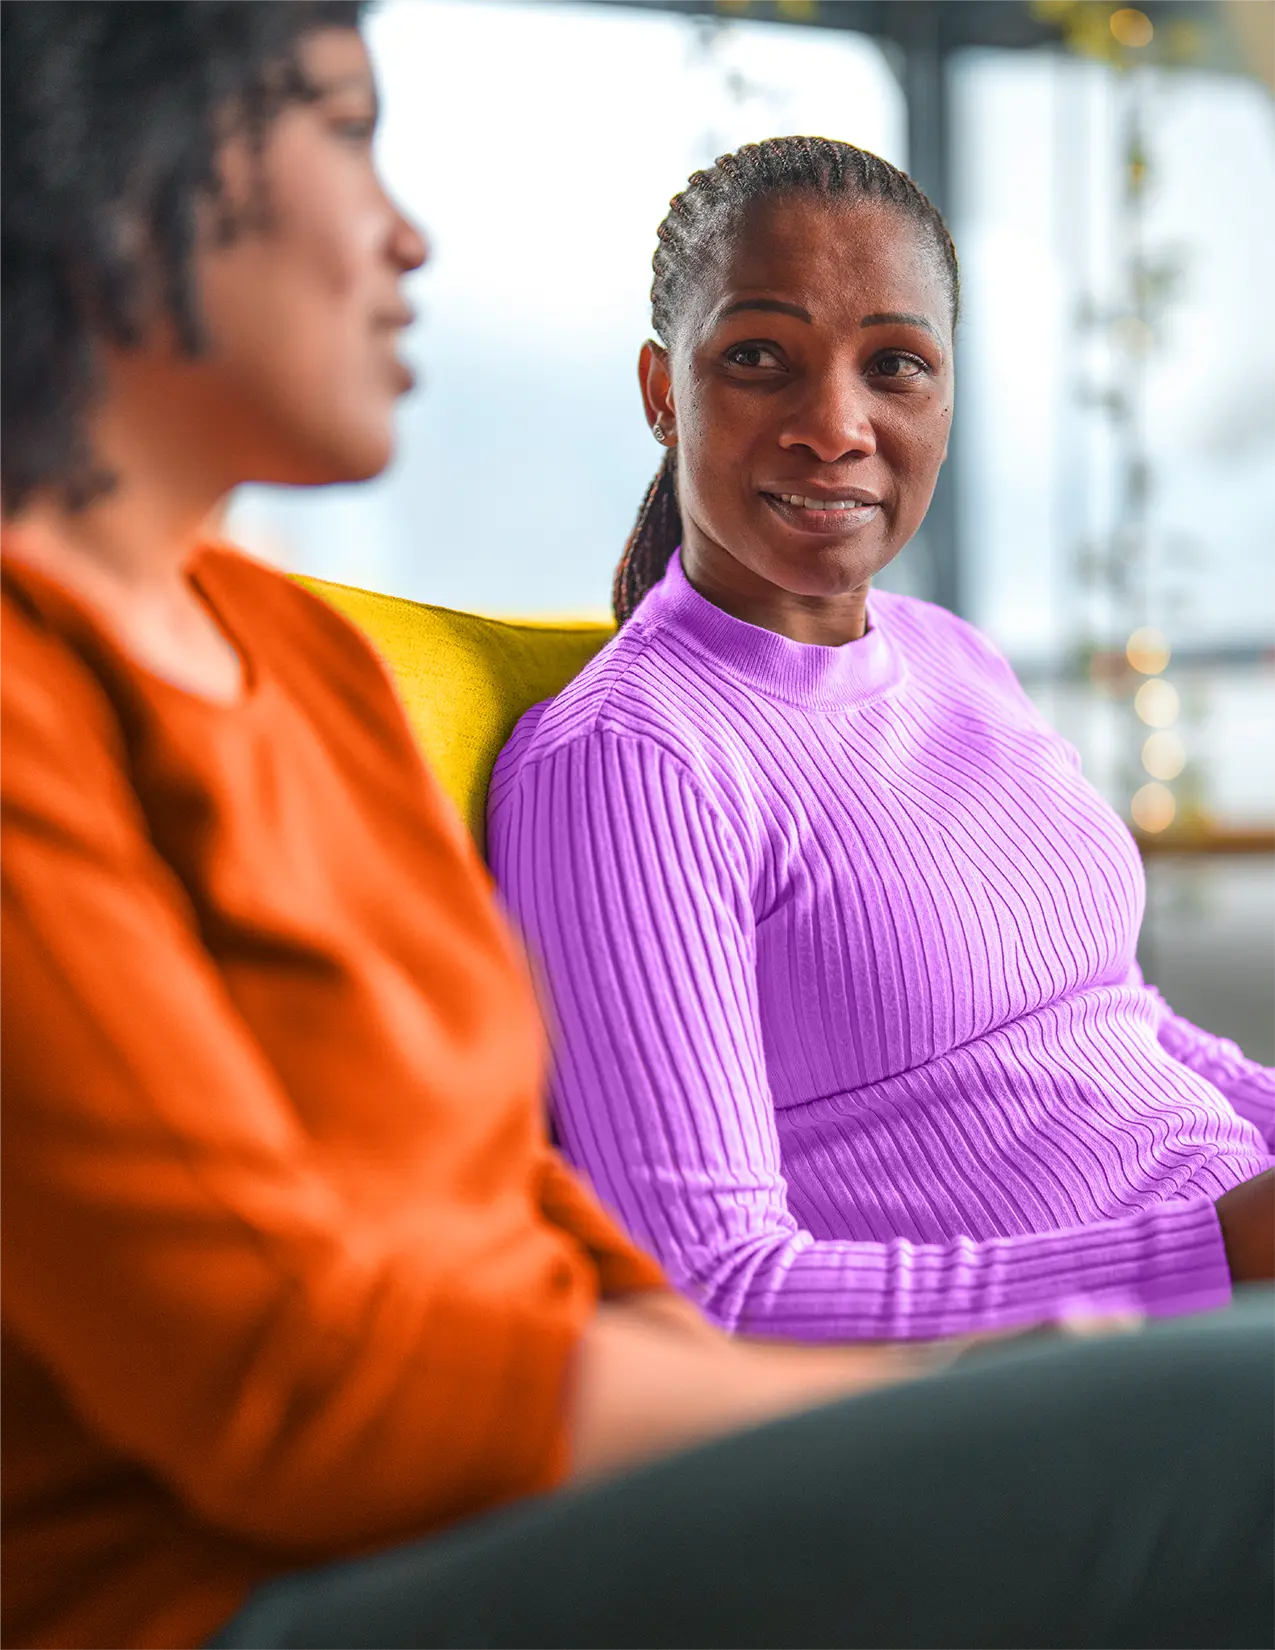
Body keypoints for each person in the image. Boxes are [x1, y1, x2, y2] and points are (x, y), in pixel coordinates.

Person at [6, 8, 1275, 1650]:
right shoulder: (616, 754)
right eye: (339, 128)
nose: (407, 233)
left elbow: (553, 1239)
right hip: (260, 1577)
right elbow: (303, 1379)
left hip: (623, 1442)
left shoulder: (295, 663)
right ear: (118, 180)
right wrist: (984, 1382)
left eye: (897, 360)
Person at [488, 136, 1275, 1342]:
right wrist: (1219, 1252)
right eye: (760, 358)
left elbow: (1119, 1022)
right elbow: (712, 1289)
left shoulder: (956, 656)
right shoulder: (633, 762)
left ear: (945, 402)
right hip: (1074, 1398)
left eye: (895, 365)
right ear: (662, 392)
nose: (835, 425)